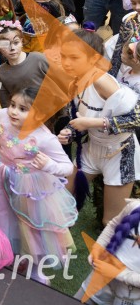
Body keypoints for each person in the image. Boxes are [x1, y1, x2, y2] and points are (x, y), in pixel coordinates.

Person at [0, 88, 77, 282]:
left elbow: (67, 167)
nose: (13, 111)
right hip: (2, 177)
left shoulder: (44, 137)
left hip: (30, 188)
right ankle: (7, 254)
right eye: (13, 105)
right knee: (2, 216)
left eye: (23, 109)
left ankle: (34, 267)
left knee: (31, 226)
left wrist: (50, 165)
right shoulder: (5, 116)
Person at [60, 29, 140, 227]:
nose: (66, 63)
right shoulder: (75, 79)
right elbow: (80, 117)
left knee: (110, 222)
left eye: (74, 57)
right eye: (63, 56)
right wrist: (70, 133)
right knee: (61, 202)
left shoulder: (102, 82)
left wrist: (92, 123)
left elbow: (136, 119)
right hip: (91, 149)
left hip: (120, 154)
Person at [75, 199, 140, 305]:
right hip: (103, 272)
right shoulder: (135, 206)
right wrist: (98, 247)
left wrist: (119, 274)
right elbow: (113, 225)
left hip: (132, 294)